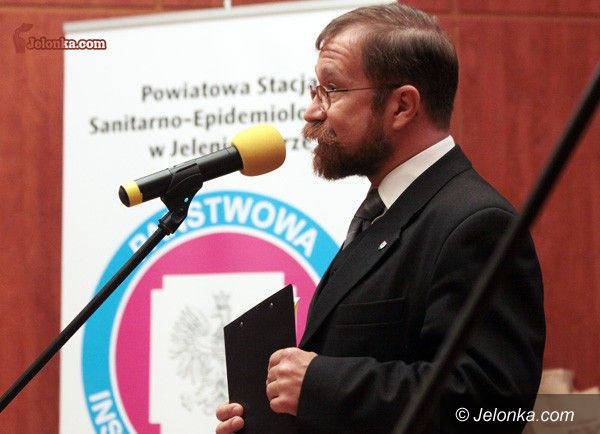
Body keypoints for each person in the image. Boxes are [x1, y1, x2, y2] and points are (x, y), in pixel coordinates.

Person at [216, 2, 545, 433]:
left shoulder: (477, 224)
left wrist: (319, 385)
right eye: (316, 90)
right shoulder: (384, 211)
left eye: (331, 90)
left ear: (402, 106)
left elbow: (488, 403)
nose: (312, 112)